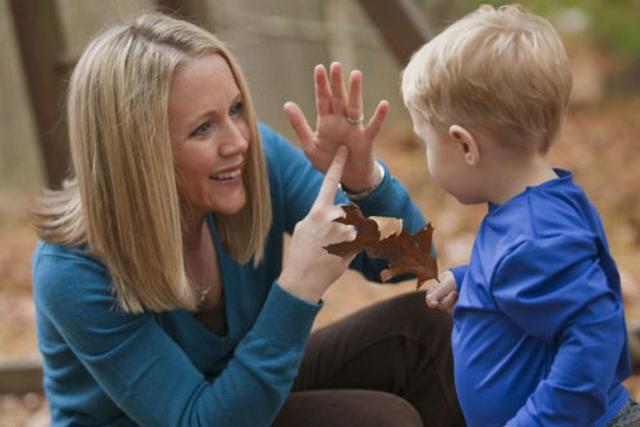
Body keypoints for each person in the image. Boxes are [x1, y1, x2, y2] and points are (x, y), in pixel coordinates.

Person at [31, 13, 465, 427]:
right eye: (203, 128)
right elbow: (199, 419)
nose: (238, 141)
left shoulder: (254, 163)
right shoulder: (73, 270)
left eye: (236, 108)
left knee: (424, 328)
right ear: (138, 154)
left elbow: (411, 261)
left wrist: (364, 181)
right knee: (382, 422)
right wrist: (297, 290)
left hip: (237, 389)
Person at [401, 4, 640, 426]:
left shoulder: (533, 235)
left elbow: (595, 335)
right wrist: (469, 280)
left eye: (425, 141)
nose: (426, 156)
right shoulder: (534, 209)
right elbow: (525, 274)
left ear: (464, 145)